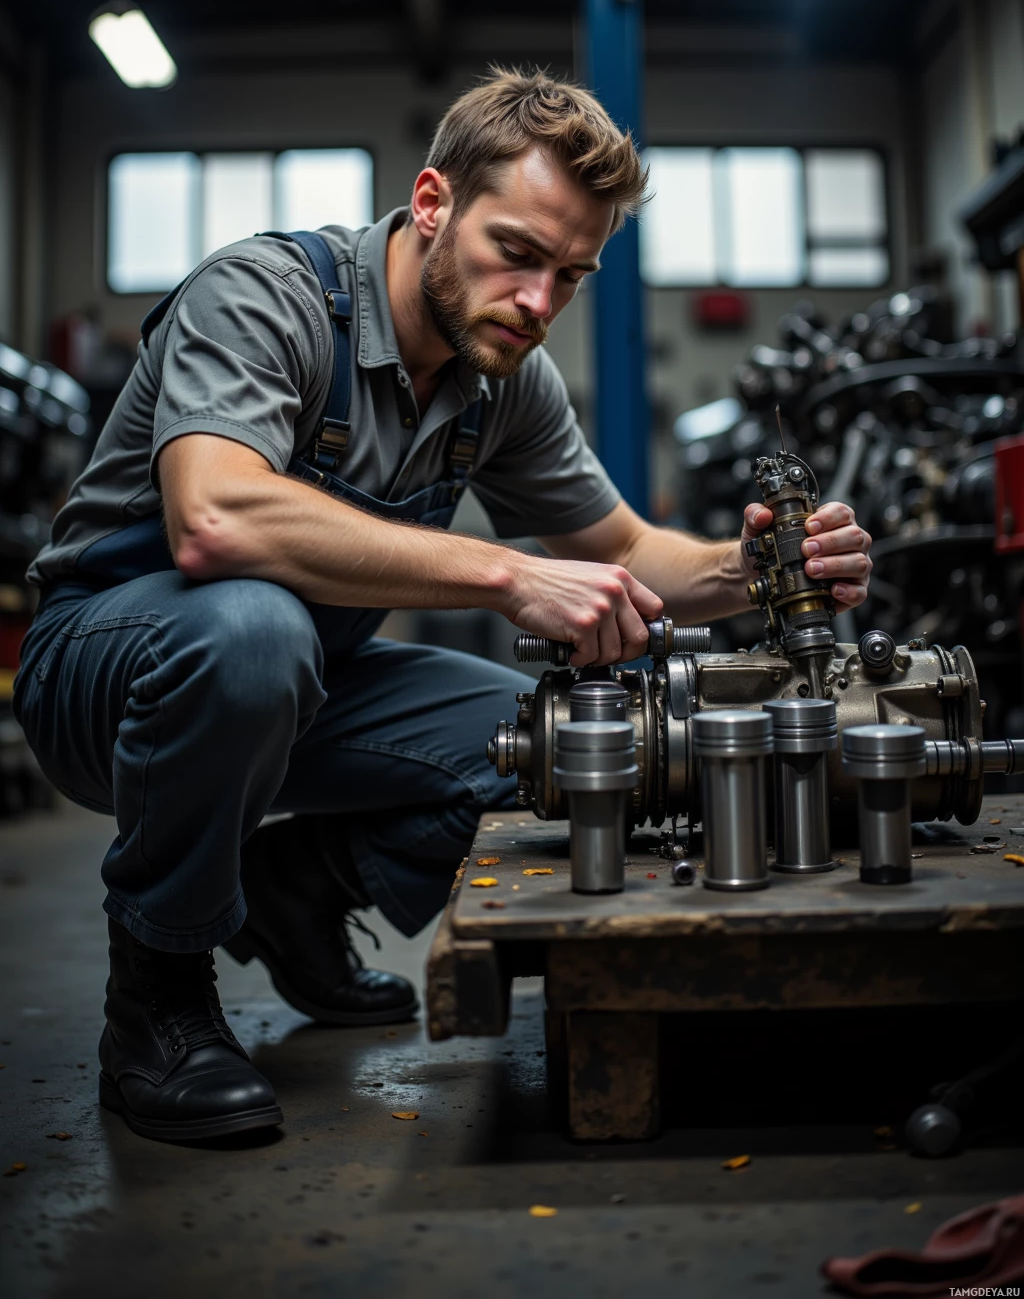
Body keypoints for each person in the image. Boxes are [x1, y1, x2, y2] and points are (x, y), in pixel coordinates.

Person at [14, 67, 873, 1143]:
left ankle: (301, 888)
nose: (538, 303)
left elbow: (629, 552)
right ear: (432, 205)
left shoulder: (502, 378)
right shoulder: (264, 298)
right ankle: (158, 999)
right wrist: (509, 572)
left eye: (570, 276)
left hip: (302, 686)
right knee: (252, 630)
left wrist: (766, 567)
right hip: (109, 675)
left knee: (548, 739)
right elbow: (216, 521)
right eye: (515, 253)